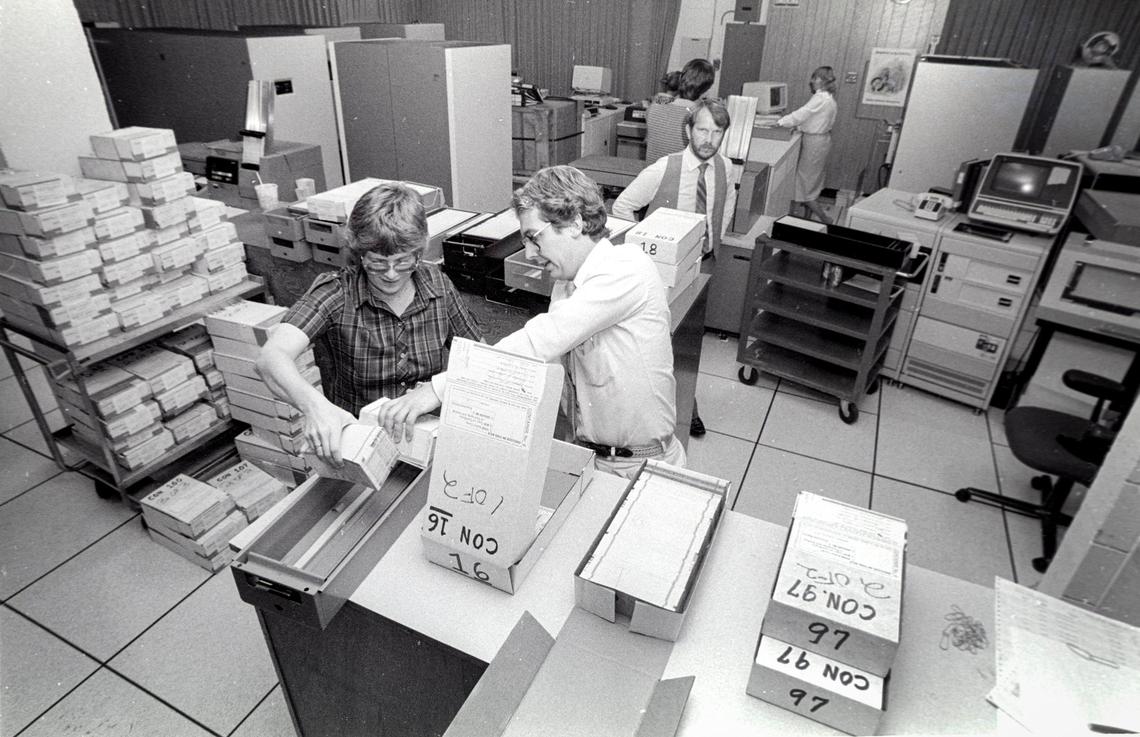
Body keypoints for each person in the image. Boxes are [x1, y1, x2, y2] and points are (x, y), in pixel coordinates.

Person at [375, 165, 685, 479]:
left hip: (640, 466)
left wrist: (439, 389)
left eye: (534, 238)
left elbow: (540, 341)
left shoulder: (626, 269)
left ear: (575, 223)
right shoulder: (567, 285)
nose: (530, 254)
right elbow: (540, 368)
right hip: (591, 455)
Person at [257, 182, 482, 465]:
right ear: (359, 253)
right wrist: (315, 408)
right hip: (359, 446)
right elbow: (270, 358)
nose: (390, 274)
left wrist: (436, 391)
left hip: (429, 438)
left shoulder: (436, 283)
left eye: (403, 262)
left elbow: (482, 358)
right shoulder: (338, 293)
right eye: (377, 262)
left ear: (419, 251)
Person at [612, 98, 734, 438]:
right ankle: (647, 413)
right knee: (654, 343)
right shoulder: (664, 168)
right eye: (702, 130)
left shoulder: (726, 168)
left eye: (717, 131)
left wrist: (711, 245)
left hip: (701, 265)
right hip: (661, 274)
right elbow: (623, 207)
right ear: (688, 130)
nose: (709, 139)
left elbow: (723, 209)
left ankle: (685, 405)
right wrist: (644, 254)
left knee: (688, 342)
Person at [777, 65, 838, 224]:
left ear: (823, 80)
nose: (812, 81)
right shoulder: (827, 97)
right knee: (811, 181)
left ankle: (825, 219)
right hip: (820, 140)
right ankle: (807, 218)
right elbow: (812, 118)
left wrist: (779, 122)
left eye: (816, 77)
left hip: (814, 143)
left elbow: (801, 114)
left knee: (804, 183)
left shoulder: (820, 98)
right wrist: (797, 125)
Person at [645, 58, 716, 164]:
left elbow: (661, 99)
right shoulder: (701, 116)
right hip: (682, 178)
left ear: (682, 78)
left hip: (653, 175)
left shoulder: (655, 106)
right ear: (707, 89)